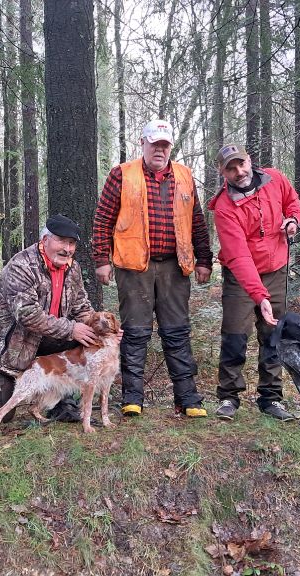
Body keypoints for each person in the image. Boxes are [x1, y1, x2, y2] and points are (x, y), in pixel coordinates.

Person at [91, 119, 213, 418]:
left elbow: (197, 221)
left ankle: (188, 399)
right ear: (142, 143)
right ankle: (132, 398)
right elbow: (103, 218)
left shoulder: (184, 175)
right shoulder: (122, 174)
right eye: (154, 144)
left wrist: (204, 259)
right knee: (135, 332)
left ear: (170, 146)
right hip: (134, 267)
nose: (159, 150)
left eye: (164, 145)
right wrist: (101, 260)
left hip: (175, 265)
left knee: (177, 332)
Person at [0, 215, 99, 423]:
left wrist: (101, 328)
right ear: (45, 239)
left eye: (71, 243)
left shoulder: (72, 268)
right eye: (61, 241)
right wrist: (71, 329)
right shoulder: (21, 266)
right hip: (9, 347)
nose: (67, 249)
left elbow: (81, 306)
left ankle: (62, 401)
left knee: (83, 338)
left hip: (47, 339)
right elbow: (28, 315)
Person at [206, 143, 300, 421]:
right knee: (235, 333)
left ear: (249, 160)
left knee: (273, 334)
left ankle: (271, 399)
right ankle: (229, 396)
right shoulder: (224, 207)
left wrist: (293, 220)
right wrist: (260, 297)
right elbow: (238, 256)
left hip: (276, 270)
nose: (239, 172)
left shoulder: (275, 179)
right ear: (223, 172)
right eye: (231, 168)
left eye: (241, 164)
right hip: (240, 275)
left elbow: (293, 202)